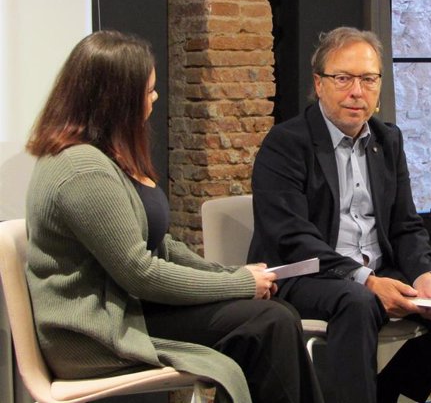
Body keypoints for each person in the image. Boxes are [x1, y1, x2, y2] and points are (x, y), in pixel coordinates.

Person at [24, 30, 324, 403]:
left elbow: (160, 245)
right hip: (98, 329)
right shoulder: (82, 169)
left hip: (128, 308)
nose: (155, 99)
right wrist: (239, 285)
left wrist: (232, 275)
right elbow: (141, 272)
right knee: (268, 322)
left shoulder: (104, 157)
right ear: (116, 100)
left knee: (272, 314)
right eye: (147, 92)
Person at [248, 26, 431, 403]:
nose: (356, 91)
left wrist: (424, 276)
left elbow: (406, 225)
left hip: (377, 270)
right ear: (319, 83)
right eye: (343, 78)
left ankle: (387, 395)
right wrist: (367, 281)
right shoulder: (286, 143)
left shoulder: (387, 139)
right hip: (307, 274)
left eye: (368, 79)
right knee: (357, 302)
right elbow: (291, 237)